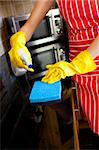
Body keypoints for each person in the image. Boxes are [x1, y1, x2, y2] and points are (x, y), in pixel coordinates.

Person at [8, 0, 99, 136]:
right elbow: (31, 24)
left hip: (88, 60)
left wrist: (80, 63)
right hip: (79, 67)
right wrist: (19, 39)